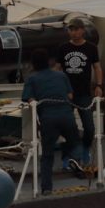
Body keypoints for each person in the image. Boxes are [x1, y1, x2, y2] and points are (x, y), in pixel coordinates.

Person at [21, 48, 81, 194]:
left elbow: (29, 99)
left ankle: (46, 188)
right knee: (75, 142)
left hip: (48, 119)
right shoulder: (61, 76)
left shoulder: (32, 79)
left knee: (47, 155)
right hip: (67, 117)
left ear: (33, 64)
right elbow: (71, 96)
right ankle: (76, 166)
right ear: (49, 62)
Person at [55, 17, 103, 166]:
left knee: (89, 128)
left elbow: (97, 67)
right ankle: (67, 156)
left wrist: (99, 85)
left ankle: (84, 149)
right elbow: (57, 68)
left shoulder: (91, 48)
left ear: (82, 30)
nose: (74, 32)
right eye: (71, 29)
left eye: (76, 29)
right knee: (68, 127)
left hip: (83, 94)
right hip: (66, 94)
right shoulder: (63, 48)